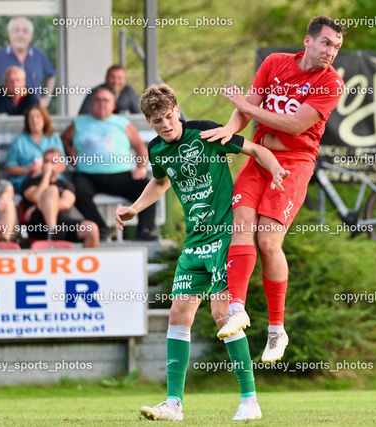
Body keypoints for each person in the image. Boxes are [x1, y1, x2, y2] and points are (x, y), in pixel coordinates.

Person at [116, 84, 290, 421]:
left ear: (177, 110)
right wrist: (135, 208)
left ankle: (250, 401)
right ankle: (173, 404)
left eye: (169, 116)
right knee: (178, 314)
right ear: (149, 122)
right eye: (157, 121)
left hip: (225, 238)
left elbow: (255, 150)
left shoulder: (207, 133)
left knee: (222, 313)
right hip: (194, 242)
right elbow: (161, 182)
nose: (166, 124)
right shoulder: (156, 150)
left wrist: (276, 170)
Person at [201, 16, 345, 363]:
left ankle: (277, 330)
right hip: (258, 158)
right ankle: (237, 309)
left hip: (294, 164)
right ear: (308, 41)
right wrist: (230, 130)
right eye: (326, 43)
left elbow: (294, 124)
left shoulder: (331, 83)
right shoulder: (274, 63)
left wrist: (247, 108)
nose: (331, 52)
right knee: (240, 225)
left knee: (267, 241)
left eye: (337, 47)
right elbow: (245, 110)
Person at [62, 86, 155, 241]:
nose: (101, 104)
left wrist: (141, 167)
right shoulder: (79, 123)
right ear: (92, 103)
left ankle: (144, 230)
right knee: (75, 188)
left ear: (113, 104)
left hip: (121, 175)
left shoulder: (122, 123)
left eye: (106, 100)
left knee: (148, 187)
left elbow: (140, 146)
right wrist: (70, 151)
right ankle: (101, 228)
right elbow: (64, 139)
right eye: (98, 100)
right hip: (88, 175)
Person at [21, 148, 99, 247]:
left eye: (53, 162)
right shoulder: (30, 182)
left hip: (63, 224)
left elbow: (66, 203)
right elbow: (35, 197)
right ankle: (52, 230)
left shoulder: (66, 184)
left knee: (91, 229)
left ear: (61, 166)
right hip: (38, 226)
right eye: (46, 161)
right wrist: (46, 176)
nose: (49, 165)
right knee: (52, 189)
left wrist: (39, 205)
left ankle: (87, 258)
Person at [0, 16, 56, 107]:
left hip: (33, 111)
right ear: (9, 35)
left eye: (25, 31)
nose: (20, 34)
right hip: (7, 112)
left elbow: (51, 76)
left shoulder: (39, 56)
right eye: (16, 30)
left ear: (31, 36)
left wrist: (47, 98)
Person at [5, 104, 65, 192]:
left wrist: (45, 169)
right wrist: (29, 170)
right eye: (31, 117)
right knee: (50, 193)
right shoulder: (19, 141)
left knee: (57, 191)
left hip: (53, 181)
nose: (34, 120)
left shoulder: (54, 138)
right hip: (29, 183)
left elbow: (63, 164)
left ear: (45, 119)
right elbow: (9, 169)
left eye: (38, 117)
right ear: (27, 121)